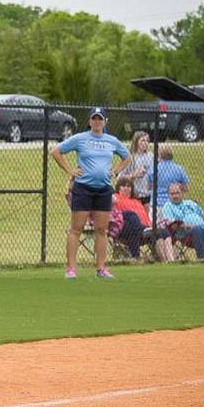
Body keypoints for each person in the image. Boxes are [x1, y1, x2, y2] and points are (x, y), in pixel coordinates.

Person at [51, 107, 131, 279]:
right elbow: (56, 152)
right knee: (76, 229)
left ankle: (101, 269)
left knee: (101, 230)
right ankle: (71, 269)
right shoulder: (80, 139)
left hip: (103, 190)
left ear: (105, 122)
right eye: (94, 119)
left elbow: (127, 157)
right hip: (83, 189)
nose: (97, 121)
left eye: (100, 119)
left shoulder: (111, 140)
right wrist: (70, 170)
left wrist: (116, 171)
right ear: (89, 121)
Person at [113, 178, 173, 262]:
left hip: (144, 227)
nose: (126, 188)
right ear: (118, 188)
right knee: (133, 218)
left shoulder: (137, 201)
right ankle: (162, 260)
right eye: (123, 186)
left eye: (129, 186)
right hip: (126, 228)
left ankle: (169, 261)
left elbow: (144, 217)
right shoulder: (116, 198)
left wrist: (150, 225)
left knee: (164, 232)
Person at [152, 145, 188, 216]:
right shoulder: (179, 169)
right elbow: (185, 188)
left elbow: (148, 187)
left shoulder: (154, 169)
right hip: (173, 204)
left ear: (159, 155)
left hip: (156, 203)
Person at [118, 131, 153, 204]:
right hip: (135, 194)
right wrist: (134, 174)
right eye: (143, 140)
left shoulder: (151, 156)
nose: (146, 143)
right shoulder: (130, 157)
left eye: (147, 141)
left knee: (145, 215)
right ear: (136, 142)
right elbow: (120, 178)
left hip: (147, 194)